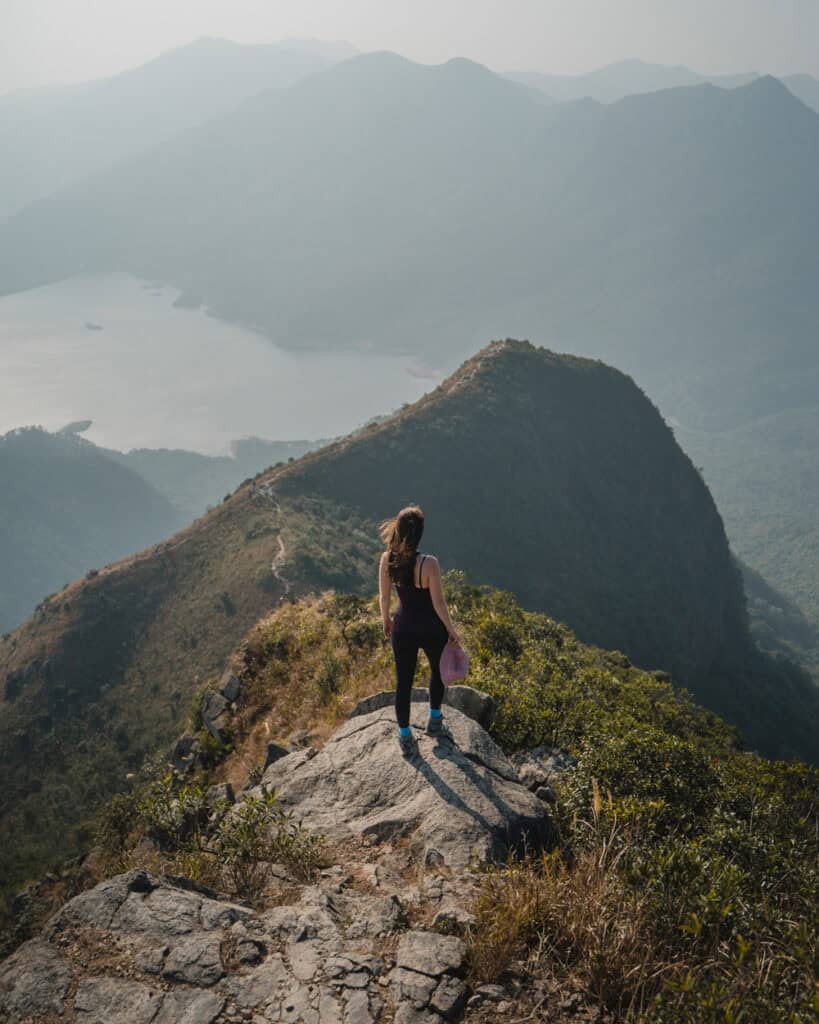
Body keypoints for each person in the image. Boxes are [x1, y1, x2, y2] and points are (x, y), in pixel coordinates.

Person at [378, 505, 460, 757]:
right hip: (431, 628)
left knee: (404, 682)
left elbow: (384, 596)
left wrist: (386, 621)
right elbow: (438, 603)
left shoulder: (387, 559)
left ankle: (405, 736)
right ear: (420, 534)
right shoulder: (429, 563)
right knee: (437, 672)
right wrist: (451, 629)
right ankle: (434, 721)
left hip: (402, 628)